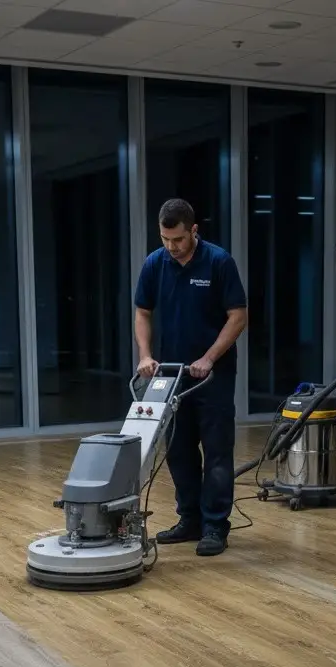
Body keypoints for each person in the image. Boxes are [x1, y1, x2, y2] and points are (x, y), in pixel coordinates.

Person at [133, 199, 248, 556]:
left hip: (213, 375)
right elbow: (142, 312)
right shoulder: (155, 264)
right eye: (165, 239)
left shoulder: (218, 262)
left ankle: (215, 525)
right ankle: (190, 519)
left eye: (179, 239)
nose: (172, 246)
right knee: (178, 451)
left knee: (216, 451)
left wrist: (209, 358)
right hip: (171, 375)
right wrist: (145, 355)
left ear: (193, 230)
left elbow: (238, 316)